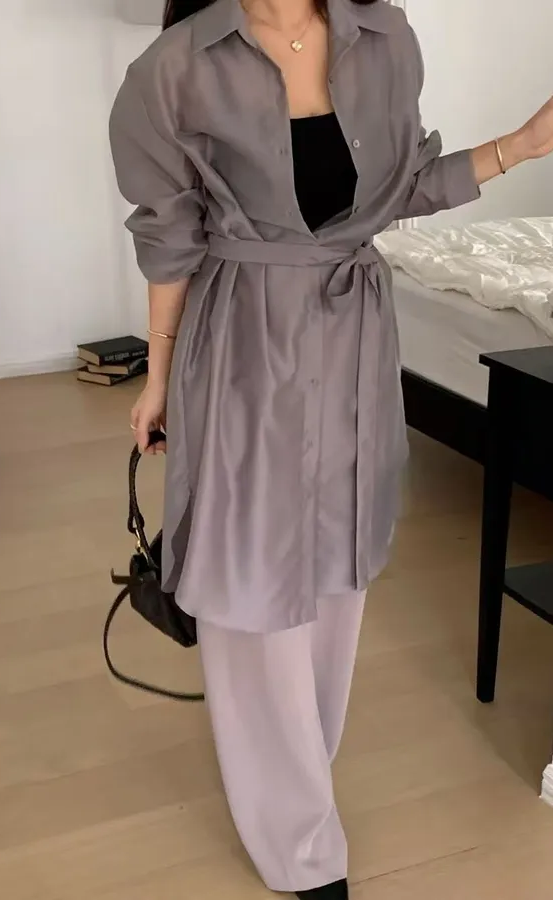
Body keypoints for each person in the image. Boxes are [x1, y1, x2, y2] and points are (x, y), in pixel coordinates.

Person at [109, 0, 553, 895]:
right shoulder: (175, 67)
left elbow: (405, 187)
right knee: (250, 576)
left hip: (354, 337)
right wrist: (157, 377)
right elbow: (170, 241)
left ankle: (300, 772)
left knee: (337, 571)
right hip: (244, 340)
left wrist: (521, 144)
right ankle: (299, 839)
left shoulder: (385, 38)